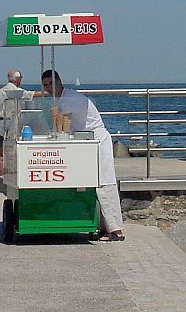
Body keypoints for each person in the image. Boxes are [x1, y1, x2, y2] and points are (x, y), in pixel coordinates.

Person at [41, 70, 125, 242]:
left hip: (97, 141)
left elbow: (61, 123)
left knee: (104, 183)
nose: (48, 88)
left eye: (51, 83)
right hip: (85, 142)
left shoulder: (70, 98)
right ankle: (99, 225)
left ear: (59, 81)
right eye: (45, 85)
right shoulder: (63, 98)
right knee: (88, 183)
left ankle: (116, 230)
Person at [0, 69, 42, 174]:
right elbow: (30, 94)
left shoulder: (0, 92)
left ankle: (2, 177)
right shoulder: (15, 91)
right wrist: (49, 92)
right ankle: (11, 176)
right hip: (9, 123)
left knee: (2, 153)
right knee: (11, 151)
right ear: (18, 79)